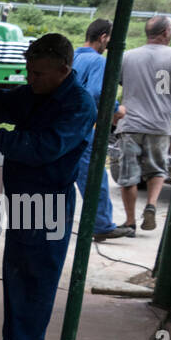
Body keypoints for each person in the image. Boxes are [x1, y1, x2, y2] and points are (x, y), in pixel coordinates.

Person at [0, 33, 97, 340]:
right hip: (24, 196)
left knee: (35, 275)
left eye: (38, 74)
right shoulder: (36, 92)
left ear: (64, 70)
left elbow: (45, 147)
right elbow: (3, 102)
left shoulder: (77, 104)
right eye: (29, 72)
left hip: (47, 200)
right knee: (18, 270)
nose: (30, 80)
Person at [115, 15, 171, 232]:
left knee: (128, 175)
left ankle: (130, 223)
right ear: (165, 32)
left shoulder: (128, 56)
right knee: (157, 169)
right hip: (159, 125)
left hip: (130, 124)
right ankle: (151, 205)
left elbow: (119, 84)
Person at [73, 19, 129, 239]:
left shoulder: (74, 58)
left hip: (64, 127)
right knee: (95, 177)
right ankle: (102, 225)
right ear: (103, 37)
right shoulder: (98, 61)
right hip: (84, 128)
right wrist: (116, 108)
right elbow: (97, 92)